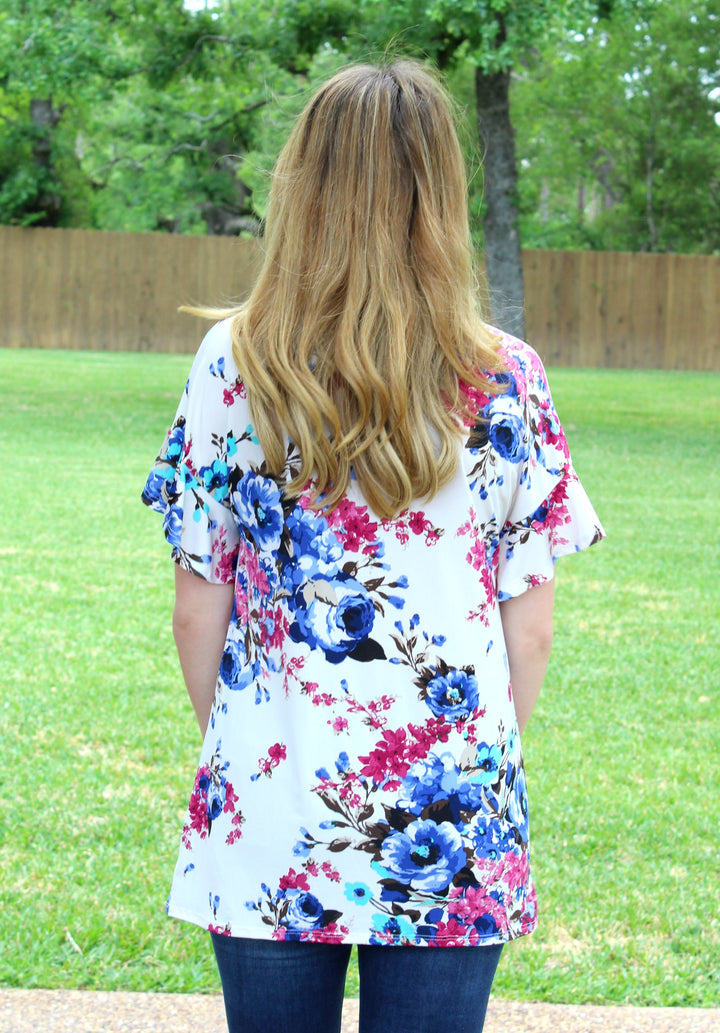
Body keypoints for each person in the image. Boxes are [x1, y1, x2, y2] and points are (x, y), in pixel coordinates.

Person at [142, 60, 604, 1033]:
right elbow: (530, 629)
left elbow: (196, 611)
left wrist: (258, 752)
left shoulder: (235, 363)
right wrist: (473, 755)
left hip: (272, 807)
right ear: (441, 193)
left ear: (301, 185)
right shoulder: (506, 377)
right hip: (452, 810)